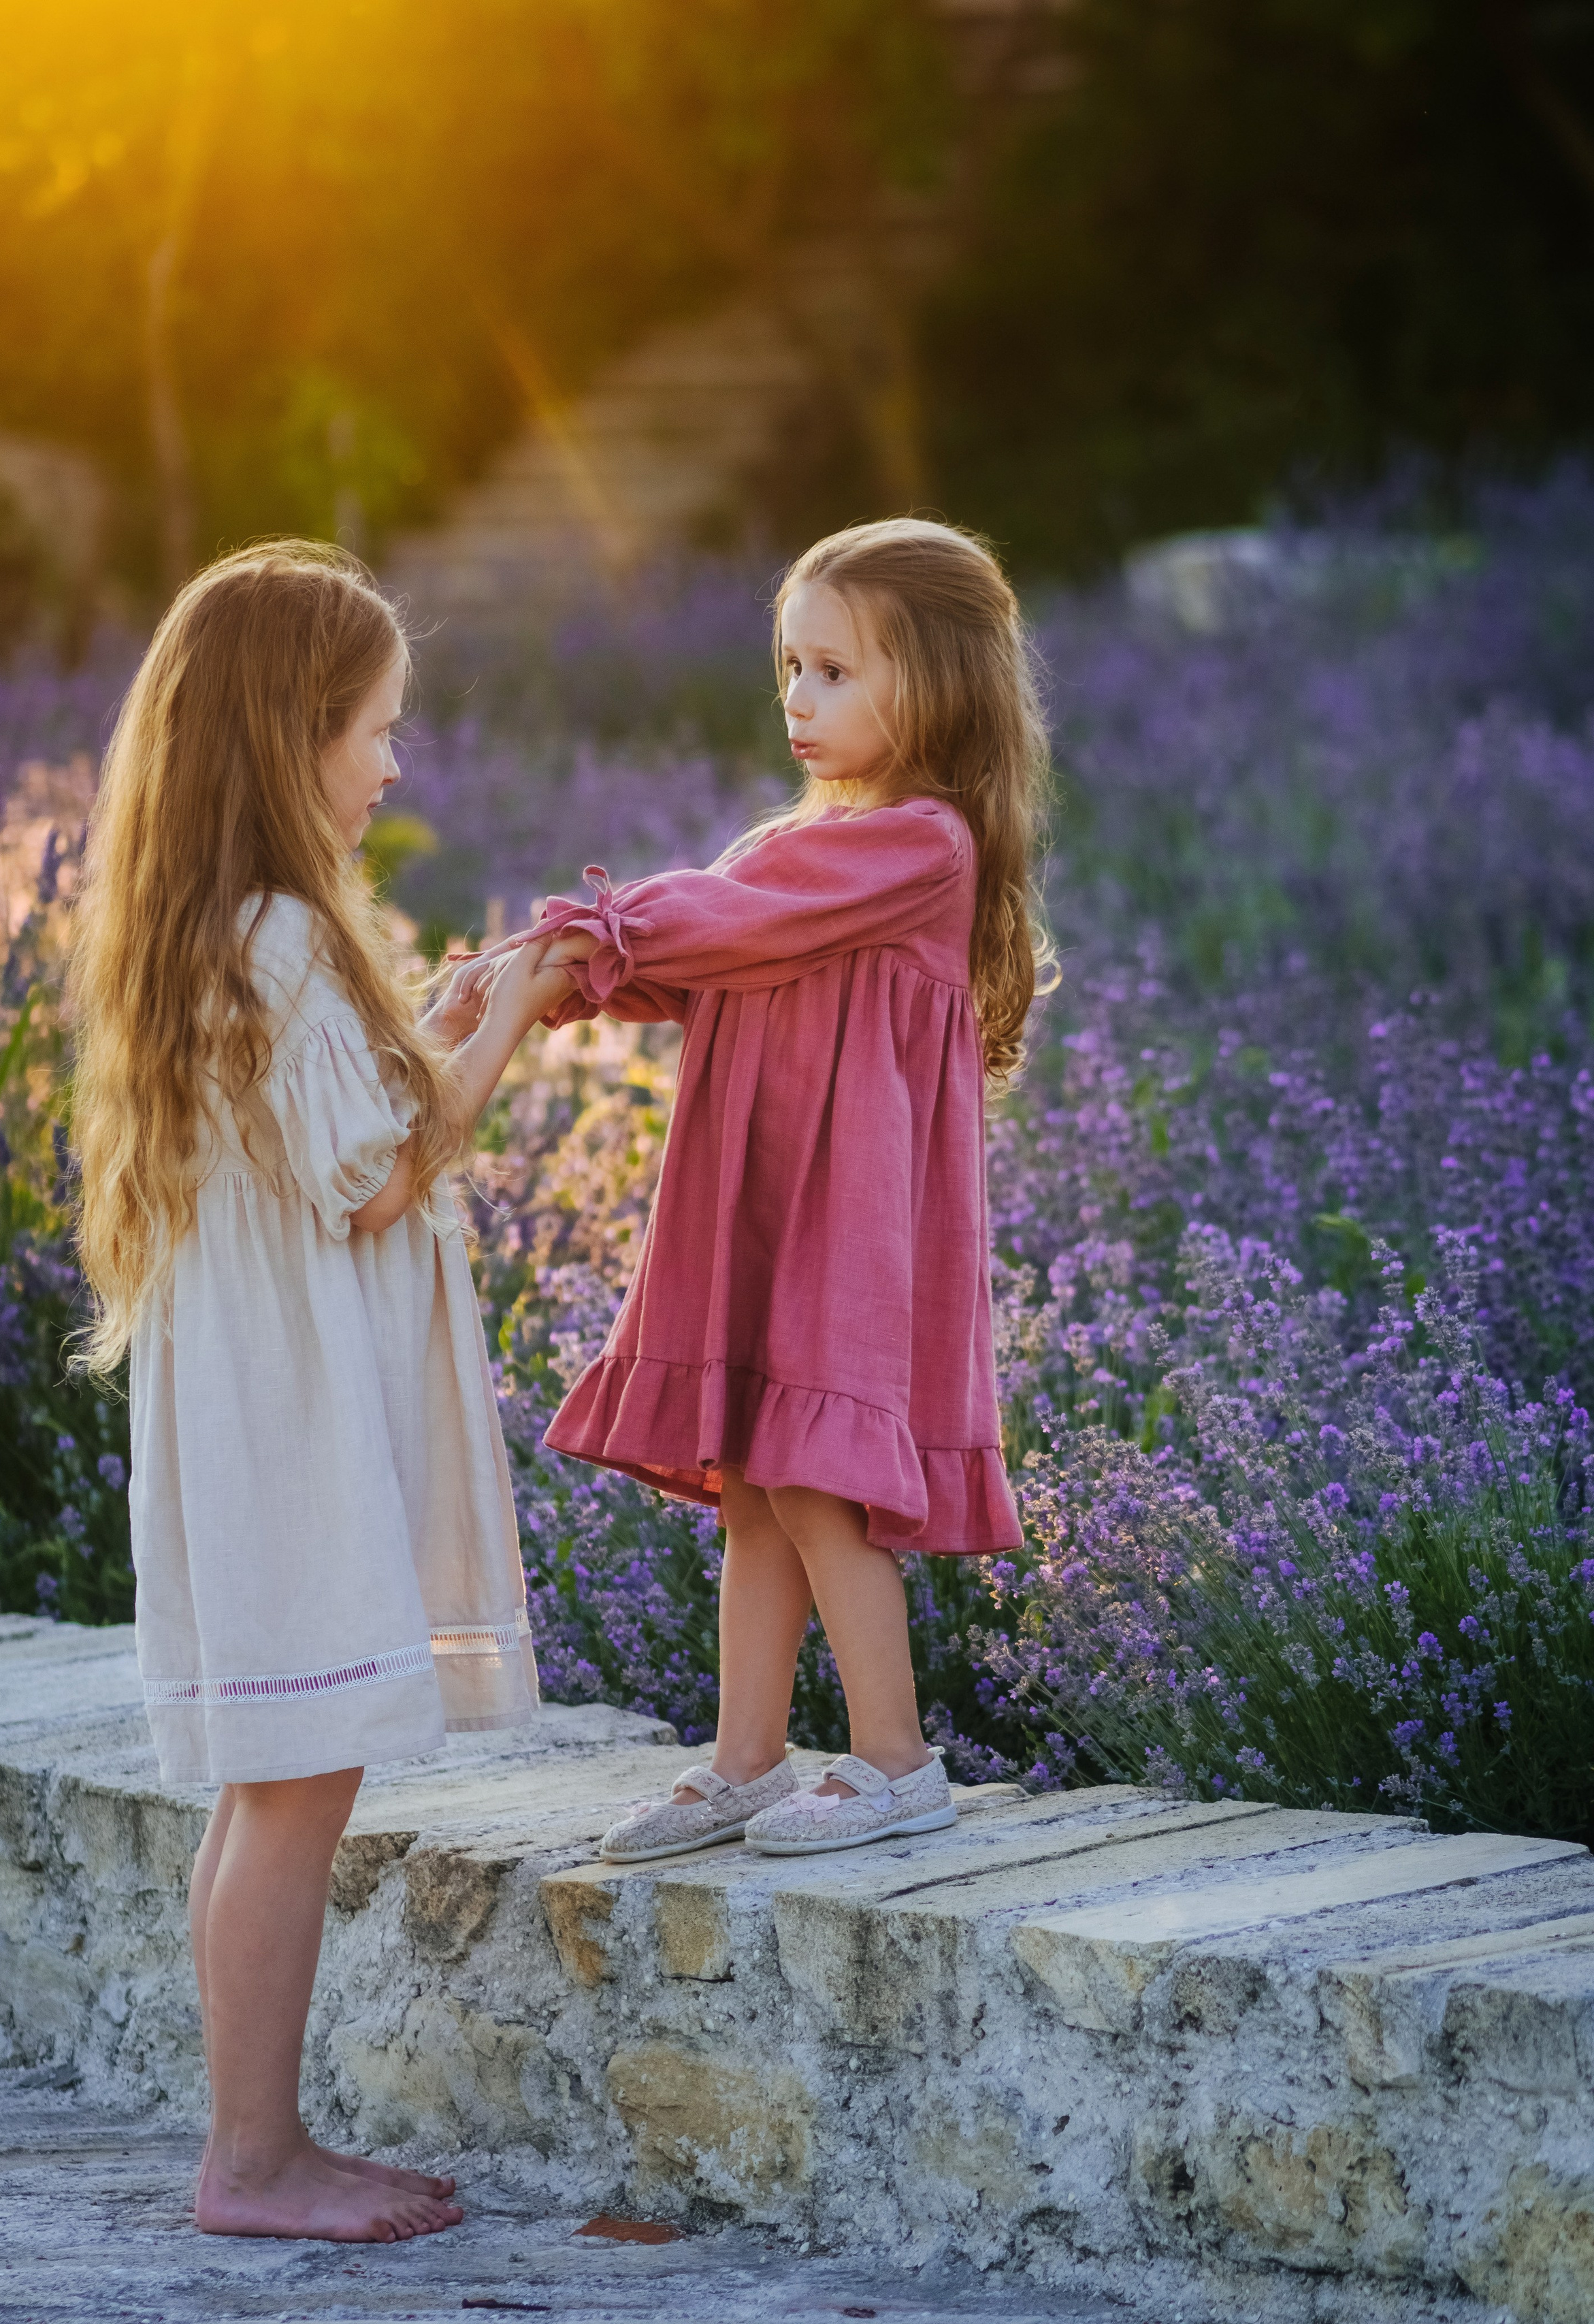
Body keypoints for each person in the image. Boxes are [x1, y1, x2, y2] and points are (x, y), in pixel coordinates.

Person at [67, 543, 567, 2242]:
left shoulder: (221, 930)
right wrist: (515, 1024)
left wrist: (432, 1017)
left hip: (249, 1421)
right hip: (296, 1436)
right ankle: (256, 2160)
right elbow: (374, 1176)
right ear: (293, 739)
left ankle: (252, 2144)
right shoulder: (276, 933)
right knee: (293, 1790)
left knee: (265, 1784)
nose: (393, 763)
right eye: (373, 729)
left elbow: (325, 1121)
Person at [477, 517, 1054, 1862]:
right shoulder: (797, 840)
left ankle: (895, 1762)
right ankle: (743, 1761)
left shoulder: (917, 845)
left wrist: (576, 938)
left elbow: (716, 921)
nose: (797, 699)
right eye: (788, 668)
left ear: (941, 683)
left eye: (835, 672)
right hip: (762, 1209)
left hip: (844, 1226)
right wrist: (540, 974)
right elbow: (698, 958)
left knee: (813, 1483)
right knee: (751, 1483)